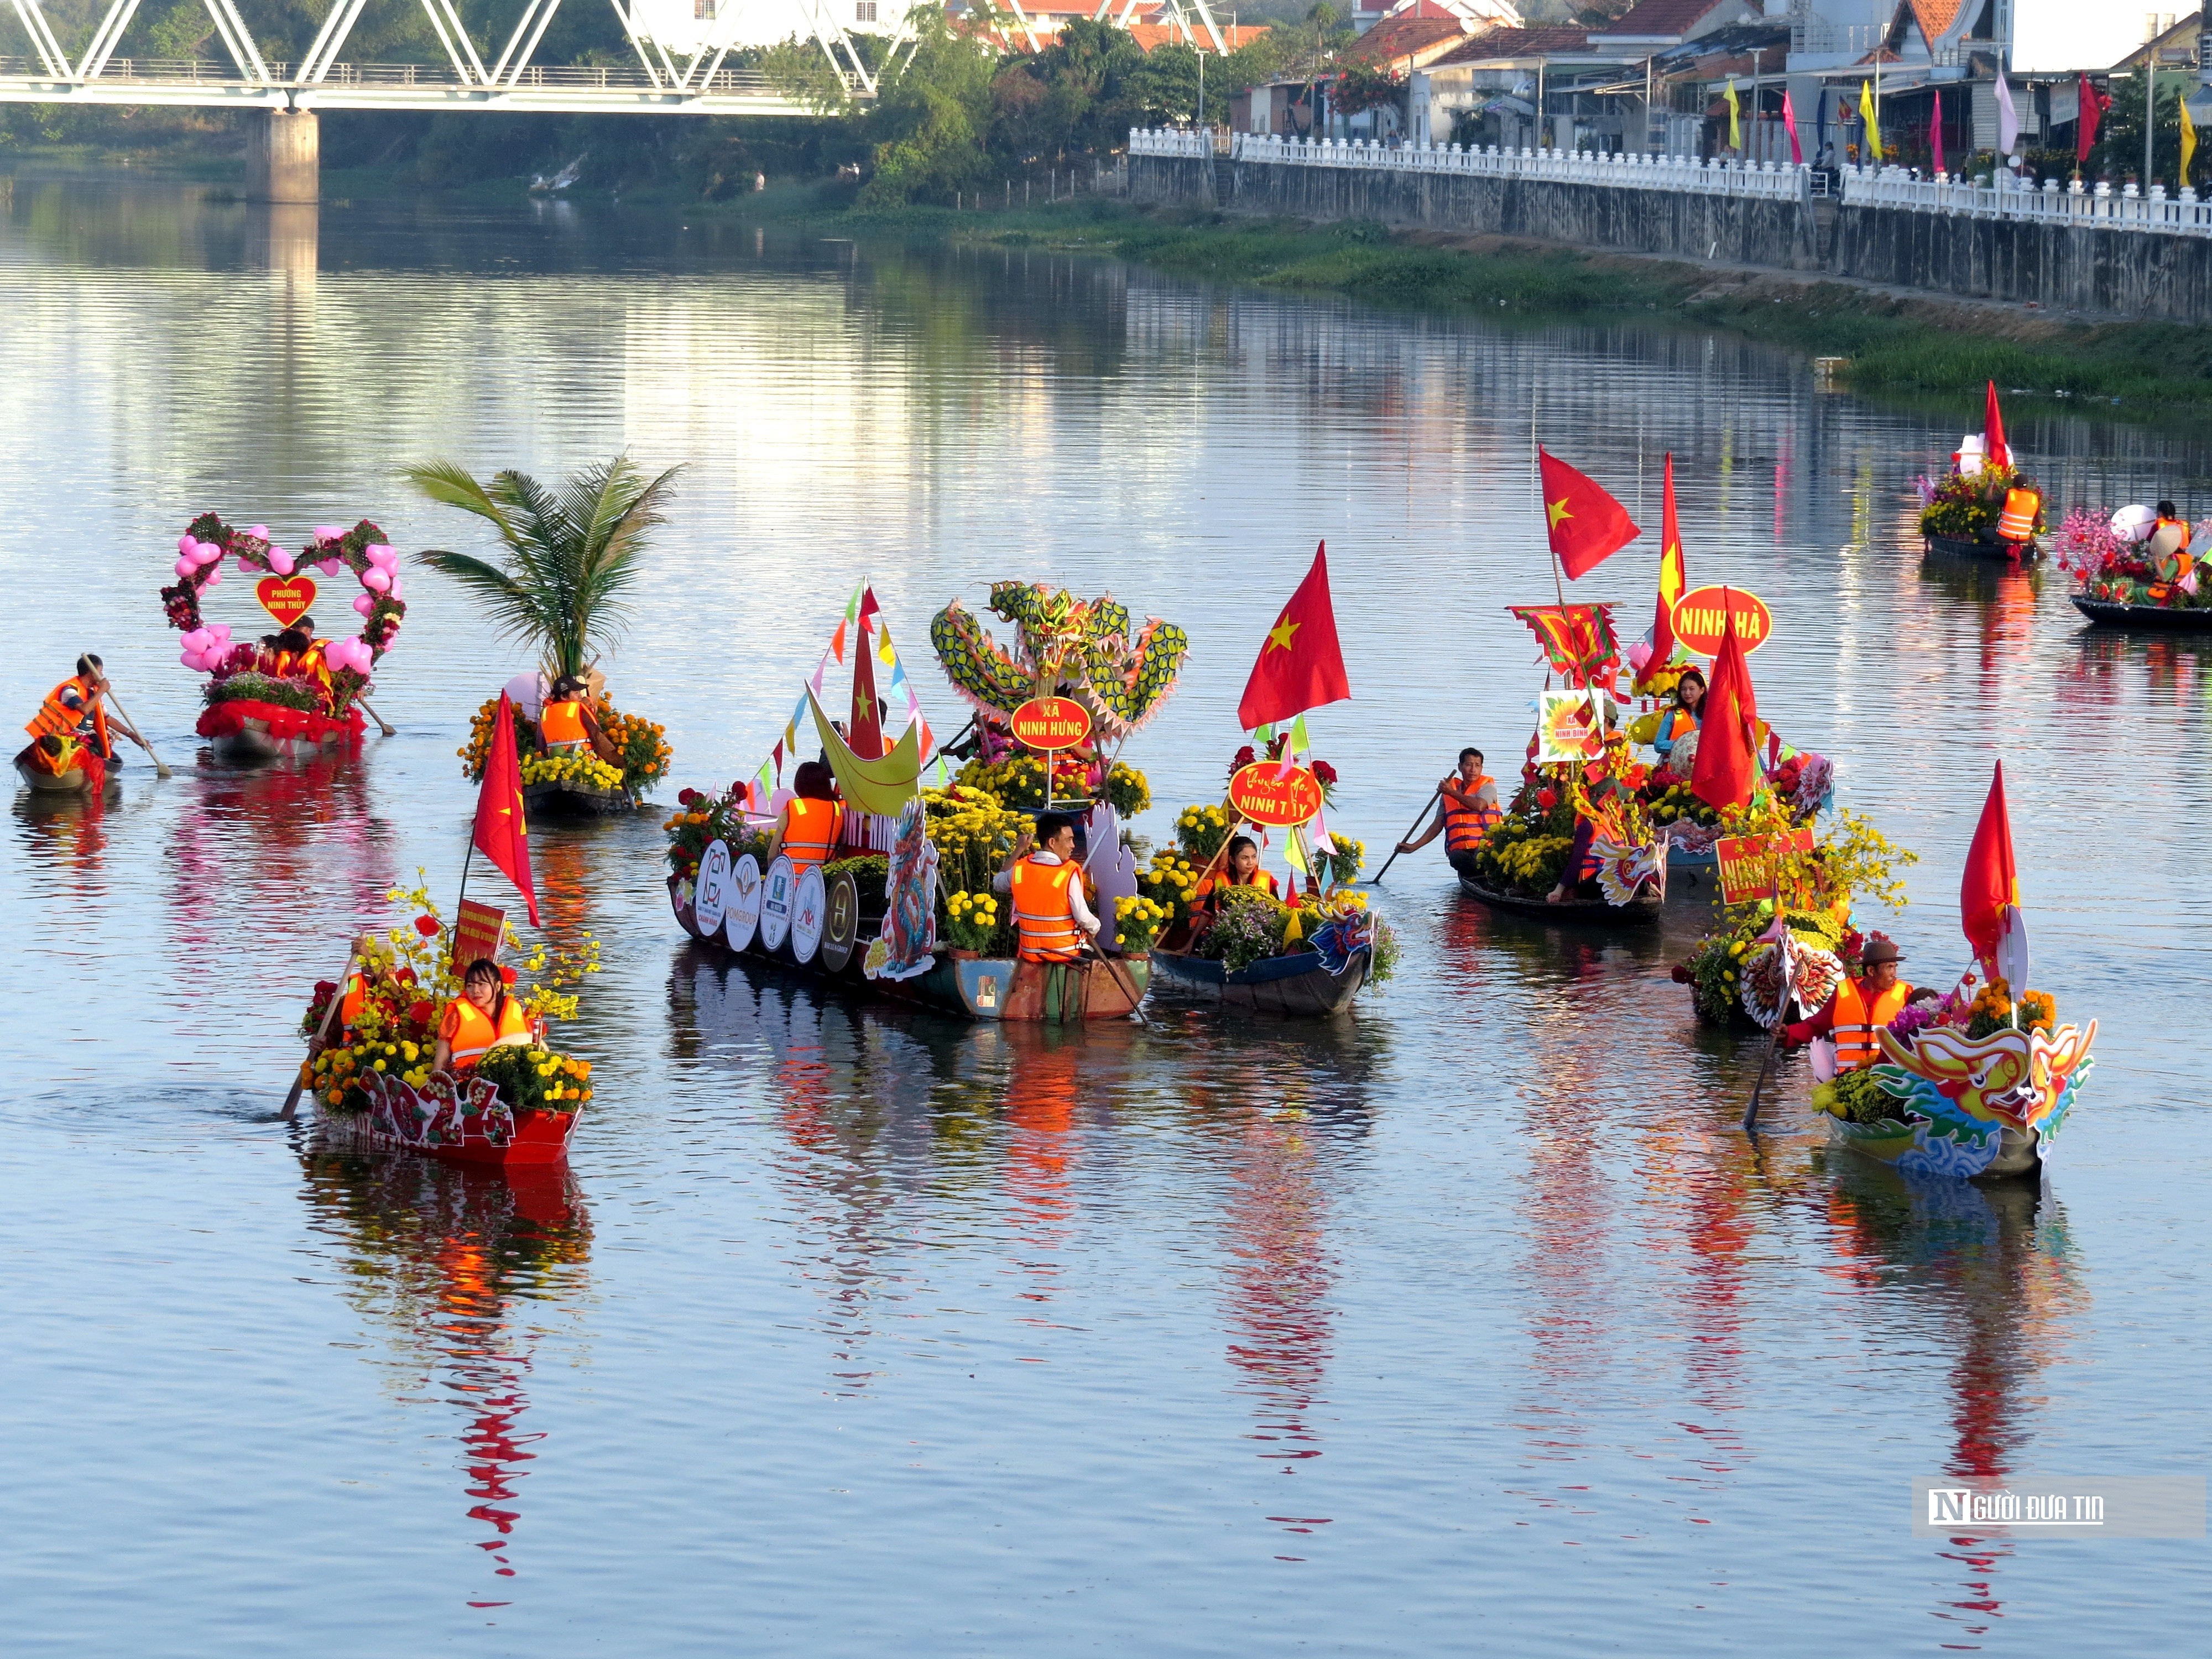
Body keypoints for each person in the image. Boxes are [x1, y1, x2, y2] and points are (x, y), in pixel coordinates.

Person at [1784, 936, 1936, 1070]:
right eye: (1889, 967)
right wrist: (1788, 1032)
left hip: (1887, 1076)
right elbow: (1817, 1026)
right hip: (1847, 1077)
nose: (1894, 974)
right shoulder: (1844, 992)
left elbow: (1921, 1031)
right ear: (1871, 971)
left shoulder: (1905, 993)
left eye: (1895, 967)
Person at [994, 809, 1100, 963]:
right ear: (1052, 842)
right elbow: (1082, 916)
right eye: (1069, 840)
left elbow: (997, 883)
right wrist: (1096, 926)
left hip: (1030, 953)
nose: (1073, 845)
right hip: (1064, 954)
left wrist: (1019, 849)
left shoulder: (1020, 869)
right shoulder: (1068, 872)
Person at [24, 654, 145, 770]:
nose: (102, 675)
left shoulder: (93, 693)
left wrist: (131, 735)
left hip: (85, 738)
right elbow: (85, 709)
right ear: (92, 673)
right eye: (100, 671)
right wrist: (102, 690)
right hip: (62, 738)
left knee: (97, 743)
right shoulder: (69, 690)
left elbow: (107, 718)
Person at [1396, 748, 1503, 876]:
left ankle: (1485, 874)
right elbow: (1438, 824)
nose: (1473, 770)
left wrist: (1451, 792)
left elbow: (1479, 806)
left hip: (1487, 847)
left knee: (1480, 858)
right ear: (1460, 767)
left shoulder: (1487, 788)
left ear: (1482, 768)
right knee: (1456, 858)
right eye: (1469, 765)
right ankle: (1476, 875)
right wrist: (1414, 846)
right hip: (1463, 851)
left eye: (1477, 765)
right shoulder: (1448, 793)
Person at [432, 957, 533, 1074]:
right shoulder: (456, 1015)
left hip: (512, 1086)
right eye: (470, 985)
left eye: (481, 984)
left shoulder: (515, 1011)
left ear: (498, 986)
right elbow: (439, 1066)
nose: (475, 990)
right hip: (468, 1088)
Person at [768, 760, 845, 876]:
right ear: (826, 783)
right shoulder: (837, 810)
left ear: (799, 784)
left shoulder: (792, 808)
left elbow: (772, 855)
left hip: (790, 880)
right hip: (821, 880)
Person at [1194, 833, 1281, 917]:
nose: (1251, 863)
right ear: (1232, 860)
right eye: (1245, 858)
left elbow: (1278, 910)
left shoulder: (1267, 880)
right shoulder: (1221, 881)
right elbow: (1208, 912)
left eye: (1254, 857)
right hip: (1228, 928)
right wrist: (1196, 933)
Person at [538, 675, 609, 757]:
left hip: (555, 763)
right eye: (576, 693)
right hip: (584, 761)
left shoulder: (545, 712)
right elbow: (598, 738)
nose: (580, 696)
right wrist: (618, 762)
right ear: (564, 697)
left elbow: (540, 743)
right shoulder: (579, 708)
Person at [1652, 668, 1705, 766]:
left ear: (1702, 690)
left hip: (1704, 767)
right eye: (1683, 689)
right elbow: (1658, 745)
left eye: (1692, 689)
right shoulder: (1672, 715)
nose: (1687, 693)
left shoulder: (1711, 715)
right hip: (1677, 772)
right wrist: (1683, 745)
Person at [1995, 476, 2043, 551]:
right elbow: (2041, 522)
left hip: (2005, 538)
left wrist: (1991, 482)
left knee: (1984, 531)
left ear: (2014, 484)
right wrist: (2028, 524)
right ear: (2027, 485)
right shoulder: (2034, 499)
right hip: (2024, 540)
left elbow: (1988, 498)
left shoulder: (2009, 495)